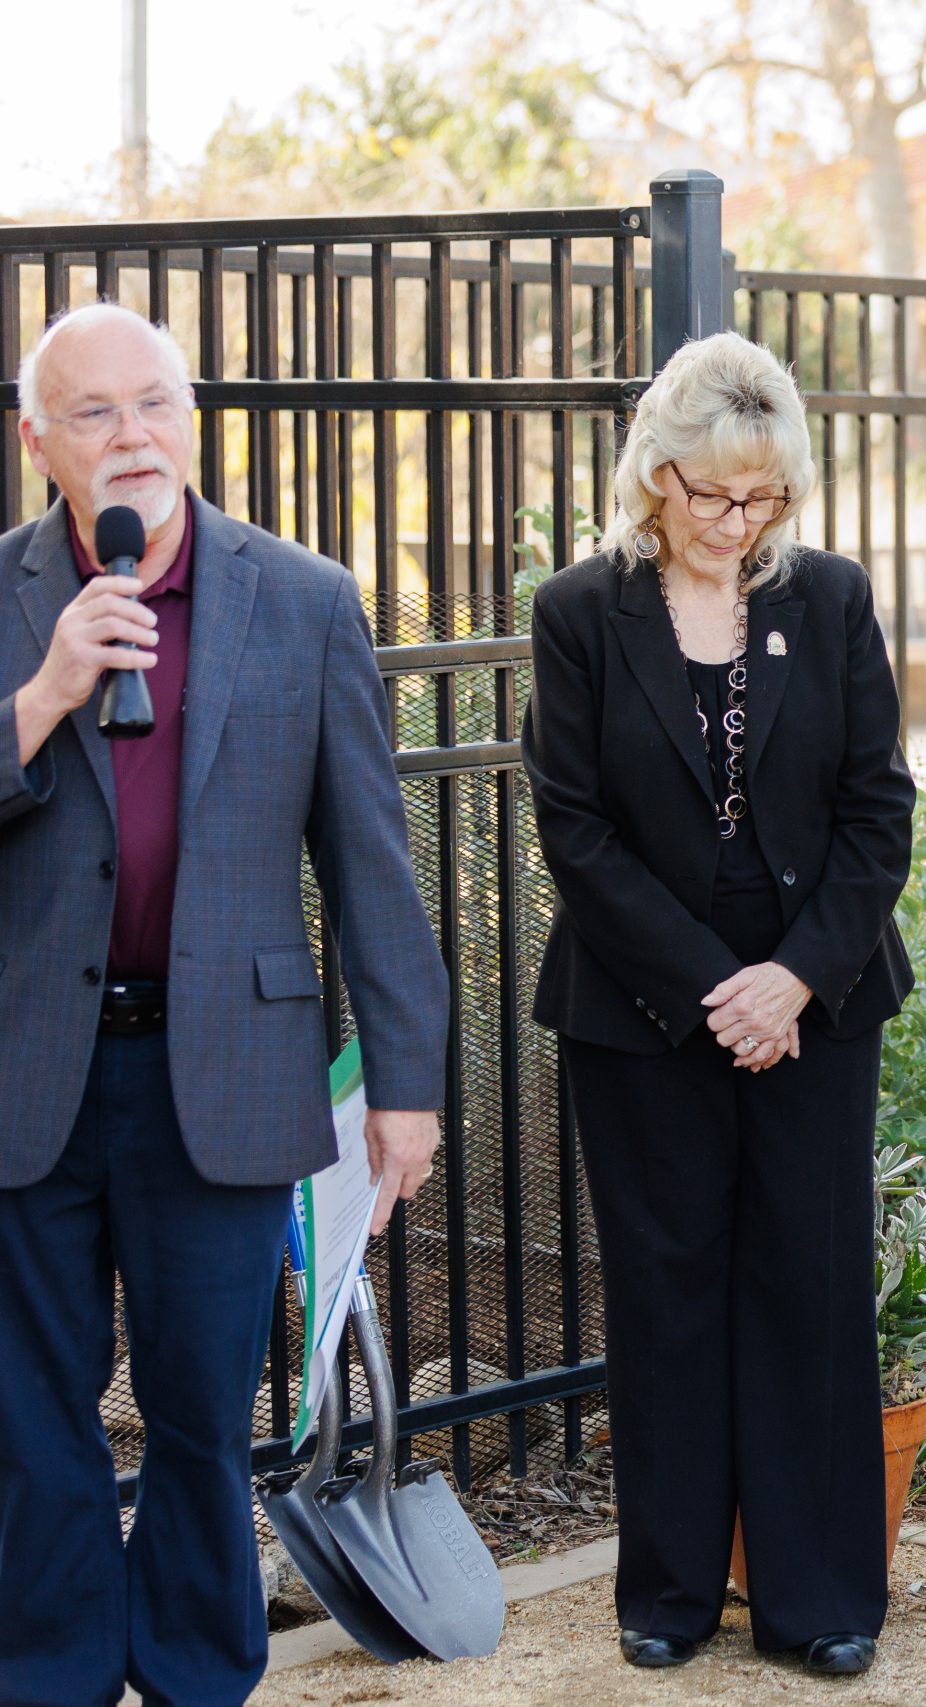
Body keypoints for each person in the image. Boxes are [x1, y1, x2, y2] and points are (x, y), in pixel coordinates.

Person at [0, 302, 448, 1707]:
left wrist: (410, 1085)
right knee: (30, 1411)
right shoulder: (7, 596)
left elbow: (368, 853)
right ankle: (53, 1670)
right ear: (37, 441)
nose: (130, 435)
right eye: (93, 412)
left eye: (153, 404)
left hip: (228, 1072)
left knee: (201, 1410)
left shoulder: (302, 596)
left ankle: (198, 1669)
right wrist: (44, 693)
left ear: (190, 419)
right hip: (29, 1069)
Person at [523, 331, 915, 1678]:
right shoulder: (581, 611)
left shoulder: (834, 599)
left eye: (765, 501)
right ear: (656, 475)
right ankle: (672, 1587)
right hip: (643, 1001)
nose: (737, 525)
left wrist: (797, 974)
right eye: (712, 497)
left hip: (818, 988)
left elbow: (879, 810)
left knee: (808, 1285)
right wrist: (713, 987)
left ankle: (819, 1597)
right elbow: (574, 829)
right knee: (667, 1285)